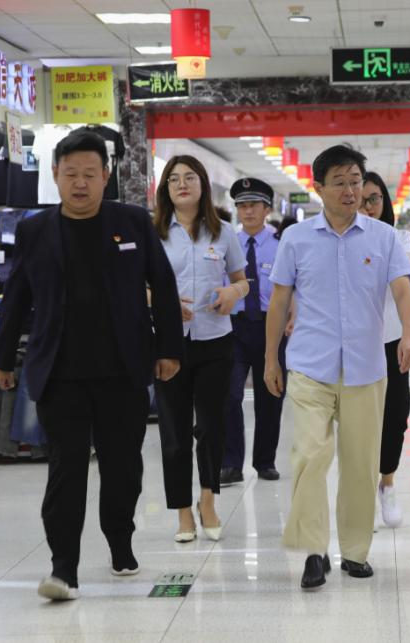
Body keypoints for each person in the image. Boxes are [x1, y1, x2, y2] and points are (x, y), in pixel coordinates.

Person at [0, 130, 183, 601]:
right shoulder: (35, 230)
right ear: (55, 174)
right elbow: (16, 297)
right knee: (66, 467)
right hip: (60, 372)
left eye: (90, 174)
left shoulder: (132, 222)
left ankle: (120, 541)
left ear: (106, 176)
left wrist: (168, 350)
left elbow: (163, 284)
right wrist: (2, 358)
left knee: (123, 467)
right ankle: (64, 568)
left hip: (123, 368)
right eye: (71, 174)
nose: (80, 183)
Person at [264, 145, 410, 590]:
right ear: (319, 188)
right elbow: (279, 300)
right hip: (310, 365)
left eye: (355, 181)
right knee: (309, 456)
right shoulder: (296, 239)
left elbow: (403, 290)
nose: (351, 191)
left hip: (366, 367)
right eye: (340, 183)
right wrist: (270, 357)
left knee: (361, 464)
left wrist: (408, 334)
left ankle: (354, 551)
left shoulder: (383, 237)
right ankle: (314, 551)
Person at [153, 155, 249, 544]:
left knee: (211, 426)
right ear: (166, 188)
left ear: (202, 185)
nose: (182, 184)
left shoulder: (223, 232)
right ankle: (182, 512)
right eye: (174, 179)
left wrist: (233, 292)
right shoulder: (154, 233)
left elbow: (243, 280)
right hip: (168, 344)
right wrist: (162, 302)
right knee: (174, 432)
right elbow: (136, 286)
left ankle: (207, 501)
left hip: (215, 340)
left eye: (189, 177)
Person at [358, 171, 410, 528]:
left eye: (374, 199)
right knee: (359, 418)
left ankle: (388, 482)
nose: (368, 206)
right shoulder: (339, 240)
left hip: (393, 340)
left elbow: (402, 276)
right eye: (361, 199)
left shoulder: (399, 237)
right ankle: (363, 489)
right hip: (355, 342)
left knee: (395, 414)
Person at [221, 178, 286, 485]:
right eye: (242, 206)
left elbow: (294, 286)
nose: (247, 211)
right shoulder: (226, 242)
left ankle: (265, 461)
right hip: (233, 327)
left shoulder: (281, 244)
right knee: (229, 395)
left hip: (270, 326)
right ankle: (231, 463)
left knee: (270, 395)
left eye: (254, 205)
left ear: (267, 209)